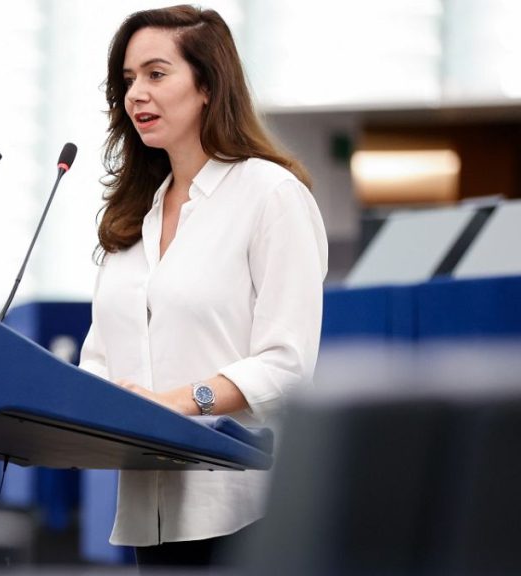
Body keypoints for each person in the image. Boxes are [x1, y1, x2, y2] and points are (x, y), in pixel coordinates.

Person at [78, 5, 328, 569]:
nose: (135, 94)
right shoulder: (132, 217)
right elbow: (101, 362)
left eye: (156, 74)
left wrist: (175, 404)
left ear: (208, 85)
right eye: (127, 80)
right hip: (148, 509)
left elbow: (287, 365)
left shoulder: (271, 196)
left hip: (246, 512)